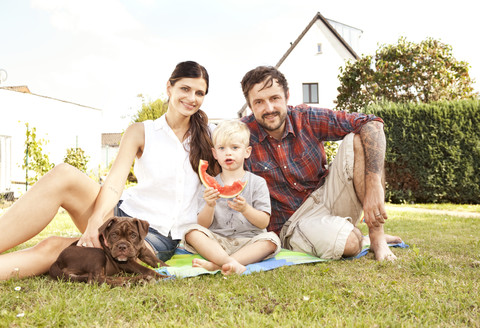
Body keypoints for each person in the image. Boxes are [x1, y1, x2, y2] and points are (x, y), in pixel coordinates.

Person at [0, 61, 220, 280]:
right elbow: (115, 183)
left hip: (154, 238)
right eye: (185, 89)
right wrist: (96, 221)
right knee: (63, 174)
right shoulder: (141, 131)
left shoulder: (213, 135)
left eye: (199, 93)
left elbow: (239, 149)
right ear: (169, 88)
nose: (192, 98)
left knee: (52, 247)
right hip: (118, 214)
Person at [240, 66, 402, 261]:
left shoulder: (305, 117)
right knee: (351, 243)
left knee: (358, 138)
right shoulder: (241, 135)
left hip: (327, 195)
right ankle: (357, 237)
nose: (269, 108)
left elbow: (372, 123)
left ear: (287, 96)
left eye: (274, 98)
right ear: (250, 106)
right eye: (259, 102)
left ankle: (377, 238)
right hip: (293, 222)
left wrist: (374, 183)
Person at [183, 120, 281, 275]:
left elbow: (264, 221)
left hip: (249, 241)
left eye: (235, 147)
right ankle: (229, 263)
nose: (228, 153)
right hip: (218, 242)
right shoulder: (208, 186)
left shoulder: (257, 183)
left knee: (271, 240)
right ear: (215, 154)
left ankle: (217, 265)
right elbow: (203, 225)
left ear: (247, 152)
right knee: (192, 232)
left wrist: (246, 209)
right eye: (222, 148)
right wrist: (209, 205)